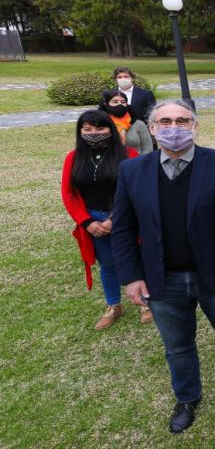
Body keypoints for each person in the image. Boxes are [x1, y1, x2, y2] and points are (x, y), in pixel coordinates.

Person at [111, 99, 215, 434]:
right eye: (165, 122)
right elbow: (123, 228)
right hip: (163, 279)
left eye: (182, 121)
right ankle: (187, 397)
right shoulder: (132, 171)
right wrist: (132, 277)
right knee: (177, 345)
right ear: (151, 128)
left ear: (195, 126)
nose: (173, 128)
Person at [60, 110, 143, 330]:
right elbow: (68, 194)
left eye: (100, 129)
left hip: (125, 217)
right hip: (93, 220)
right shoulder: (73, 157)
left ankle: (146, 302)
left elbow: (136, 190)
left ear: (110, 130)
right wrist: (87, 222)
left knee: (137, 256)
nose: (93, 133)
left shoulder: (129, 154)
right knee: (107, 264)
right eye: (87, 129)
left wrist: (116, 218)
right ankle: (114, 305)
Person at [99, 89, 153, 155]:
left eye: (123, 102)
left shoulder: (138, 124)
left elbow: (148, 148)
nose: (120, 104)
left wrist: (139, 162)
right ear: (106, 104)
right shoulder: (101, 124)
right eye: (115, 102)